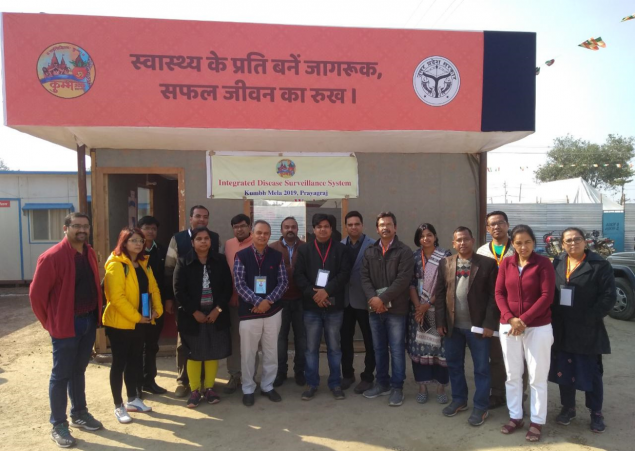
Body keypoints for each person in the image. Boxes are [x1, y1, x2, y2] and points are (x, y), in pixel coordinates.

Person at [30, 213, 103, 448]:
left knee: (78, 370)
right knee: (61, 375)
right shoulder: (51, 257)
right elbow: (36, 296)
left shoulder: (88, 252)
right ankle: (58, 424)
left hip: (88, 321)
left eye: (85, 226)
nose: (82, 230)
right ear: (65, 228)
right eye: (76, 226)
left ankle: (79, 413)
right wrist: (51, 323)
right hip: (65, 325)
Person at [549, 227, 616, 434]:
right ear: (562, 243)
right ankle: (568, 408)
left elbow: (608, 297)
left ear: (585, 242)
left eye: (577, 239)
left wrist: (591, 317)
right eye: (567, 240)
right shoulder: (558, 263)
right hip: (562, 328)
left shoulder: (599, 265)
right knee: (564, 370)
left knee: (591, 372)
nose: (572, 243)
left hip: (588, 328)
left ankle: (596, 412)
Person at [495, 225, 555, 442]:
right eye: (518, 242)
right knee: (512, 374)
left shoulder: (543, 263)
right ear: (512, 243)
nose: (523, 246)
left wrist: (524, 320)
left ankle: (537, 421)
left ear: (534, 243)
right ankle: (515, 416)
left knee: (537, 376)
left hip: (537, 327)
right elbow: (499, 292)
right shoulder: (506, 263)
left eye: (527, 242)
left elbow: (547, 296)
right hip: (509, 325)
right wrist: (511, 318)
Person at [435, 226, 498, 426]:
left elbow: (493, 297)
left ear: (473, 241)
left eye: (466, 239)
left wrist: (489, 324)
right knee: (454, 365)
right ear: (453, 243)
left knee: (481, 368)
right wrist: (440, 322)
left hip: (478, 328)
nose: (462, 243)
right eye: (458, 240)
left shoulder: (487, 264)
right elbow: (439, 295)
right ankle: (459, 400)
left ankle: (481, 407)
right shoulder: (446, 263)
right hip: (453, 327)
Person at [103, 227, 163, 424]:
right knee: (119, 363)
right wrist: (137, 317)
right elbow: (116, 298)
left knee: (135, 361)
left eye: (141, 240)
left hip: (141, 321)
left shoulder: (144, 262)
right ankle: (118, 405)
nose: (138, 244)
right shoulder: (116, 264)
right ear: (124, 242)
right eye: (133, 240)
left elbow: (153, 288)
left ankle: (133, 399)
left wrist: (157, 310)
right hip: (121, 324)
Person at [164, 205, 220, 397]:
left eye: (205, 217)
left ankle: (205, 382)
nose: (201, 220)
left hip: (210, 302)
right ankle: (183, 380)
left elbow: (218, 266)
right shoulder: (178, 238)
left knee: (207, 339)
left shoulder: (215, 237)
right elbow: (169, 269)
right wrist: (169, 298)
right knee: (184, 341)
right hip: (185, 302)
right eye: (198, 216)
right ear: (190, 219)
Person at [294, 213, 352, 400]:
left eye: (326, 226)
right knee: (311, 349)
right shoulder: (304, 250)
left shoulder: (342, 249)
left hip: (334, 307)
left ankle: (335, 383)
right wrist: (315, 295)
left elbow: (344, 274)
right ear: (313, 229)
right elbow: (299, 276)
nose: (322, 229)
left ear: (332, 229)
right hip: (311, 308)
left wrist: (325, 291)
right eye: (318, 226)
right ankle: (312, 383)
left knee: (334, 348)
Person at [174, 227, 233, 408]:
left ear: (210, 242)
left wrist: (218, 310)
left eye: (206, 238)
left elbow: (227, 288)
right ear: (193, 243)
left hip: (215, 315)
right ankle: (194, 390)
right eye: (199, 239)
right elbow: (178, 290)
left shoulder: (220, 261)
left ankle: (209, 388)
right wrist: (194, 312)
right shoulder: (183, 262)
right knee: (194, 353)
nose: (203, 241)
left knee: (211, 352)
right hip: (192, 316)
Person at [361, 212, 414, 407]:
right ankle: (381, 383)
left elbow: (403, 280)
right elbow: (364, 278)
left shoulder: (404, 251)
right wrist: (374, 300)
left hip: (396, 310)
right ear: (377, 229)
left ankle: (397, 387)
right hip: (374, 309)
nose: (385, 227)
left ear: (395, 228)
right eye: (382, 225)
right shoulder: (370, 251)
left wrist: (381, 298)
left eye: (389, 224)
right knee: (379, 348)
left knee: (397, 350)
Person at [234, 220, 289, 407]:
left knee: (271, 351)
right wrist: (259, 302)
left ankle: (267, 386)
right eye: (259, 232)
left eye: (266, 233)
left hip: (273, 312)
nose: (262, 236)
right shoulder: (241, 256)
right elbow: (240, 284)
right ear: (252, 233)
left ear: (269, 235)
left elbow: (283, 282)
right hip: (249, 312)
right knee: (248, 353)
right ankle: (248, 388)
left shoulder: (277, 256)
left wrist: (268, 302)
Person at [476, 210, 520, 410]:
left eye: (500, 223)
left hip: (516, 311)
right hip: (492, 311)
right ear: (487, 229)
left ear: (508, 225)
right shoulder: (482, 252)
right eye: (492, 224)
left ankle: (520, 395)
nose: (496, 227)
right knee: (496, 356)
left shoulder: (518, 249)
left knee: (519, 357)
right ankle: (497, 393)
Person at [407, 223, 452, 404]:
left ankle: (441, 387)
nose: (426, 238)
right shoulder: (414, 257)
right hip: (417, 311)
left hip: (438, 309)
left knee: (440, 350)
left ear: (435, 236)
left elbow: (446, 284)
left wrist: (428, 304)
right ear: (418, 239)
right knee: (419, 349)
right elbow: (410, 283)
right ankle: (422, 387)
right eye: (422, 235)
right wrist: (419, 306)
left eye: (429, 235)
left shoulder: (445, 256)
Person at [340, 211, 376, 394]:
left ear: (362, 225)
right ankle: (347, 375)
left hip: (365, 300)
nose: (353, 227)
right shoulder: (339, 246)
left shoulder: (372, 245)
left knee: (370, 341)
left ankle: (368, 376)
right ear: (346, 226)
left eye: (357, 224)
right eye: (350, 224)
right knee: (345, 341)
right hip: (345, 301)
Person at [269, 216, 307, 387]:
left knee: (301, 338)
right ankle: (281, 372)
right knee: (280, 339)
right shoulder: (272, 249)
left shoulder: (306, 248)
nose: (290, 230)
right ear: (281, 230)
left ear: (297, 229)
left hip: (301, 300)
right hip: (280, 301)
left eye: (293, 227)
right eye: (286, 227)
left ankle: (300, 372)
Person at [137, 216, 168, 395]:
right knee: (137, 344)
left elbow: (167, 277)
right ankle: (136, 383)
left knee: (152, 344)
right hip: (136, 305)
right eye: (147, 228)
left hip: (156, 303)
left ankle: (149, 380)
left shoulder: (162, 250)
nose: (150, 232)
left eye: (154, 229)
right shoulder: (132, 250)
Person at [223, 213, 254, 395]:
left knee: (252, 341)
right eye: (236, 227)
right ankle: (234, 375)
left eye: (243, 226)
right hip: (233, 300)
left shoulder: (257, 242)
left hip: (252, 301)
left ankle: (250, 377)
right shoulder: (228, 244)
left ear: (249, 227)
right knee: (234, 339)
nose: (239, 229)